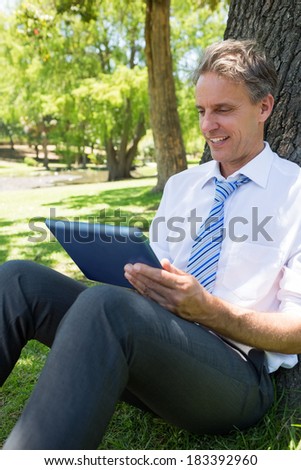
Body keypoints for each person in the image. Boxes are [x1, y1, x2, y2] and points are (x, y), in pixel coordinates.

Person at [1, 38, 301, 450]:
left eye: (223, 110)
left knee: (105, 305)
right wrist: (135, 276)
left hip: (235, 378)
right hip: (156, 349)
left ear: (264, 107)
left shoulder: (295, 194)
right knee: (17, 279)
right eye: (201, 111)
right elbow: (151, 274)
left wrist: (210, 311)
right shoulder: (183, 186)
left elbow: (297, 331)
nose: (207, 126)